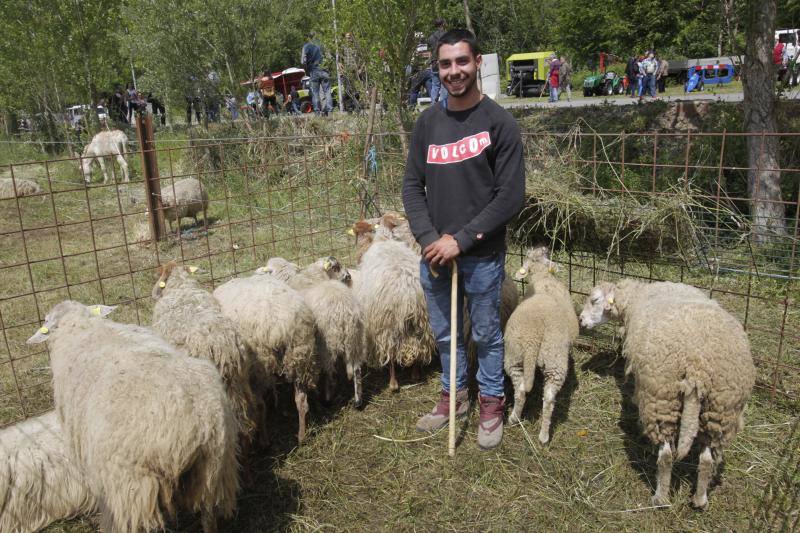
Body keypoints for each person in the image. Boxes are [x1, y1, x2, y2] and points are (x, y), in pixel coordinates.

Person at [402, 29, 525, 451]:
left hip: (481, 254)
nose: (454, 71)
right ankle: (453, 397)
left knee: (487, 334)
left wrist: (463, 239)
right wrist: (429, 238)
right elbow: (411, 186)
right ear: (437, 68)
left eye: (461, 61)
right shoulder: (427, 124)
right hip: (434, 254)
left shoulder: (499, 123)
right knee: (445, 334)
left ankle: (491, 403)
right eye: (445, 64)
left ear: (477, 63)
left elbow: (509, 196)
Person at [301, 32, 333, 115]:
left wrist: (306, 70)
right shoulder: (323, 45)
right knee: (327, 91)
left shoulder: (306, 46)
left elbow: (303, 61)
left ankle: (317, 112)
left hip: (313, 71)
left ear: (309, 37)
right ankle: (330, 111)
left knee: (315, 93)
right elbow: (330, 57)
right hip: (324, 70)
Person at [427, 18, 448, 107]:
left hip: (434, 63)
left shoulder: (431, 37)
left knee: (435, 85)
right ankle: (443, 106)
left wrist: (431, 62)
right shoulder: (447, 35)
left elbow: (430, 52)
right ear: (443, 24)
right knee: (444, 85)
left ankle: (433, 106)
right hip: (444, 62)